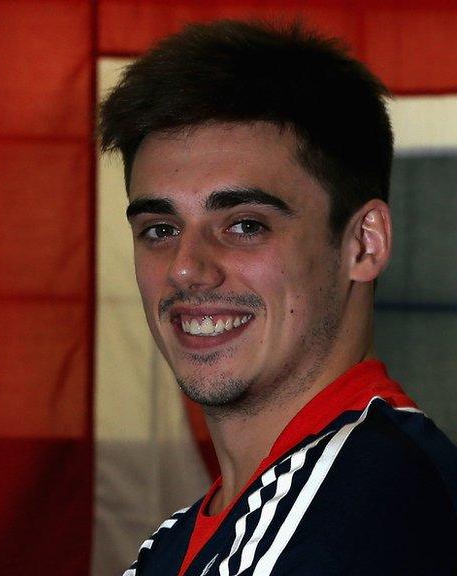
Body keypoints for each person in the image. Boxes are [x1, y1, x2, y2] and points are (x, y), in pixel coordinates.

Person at [98, 20, 457, 576]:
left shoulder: (369, 511)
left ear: (364, 243)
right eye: (159, 229)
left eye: (244, 225)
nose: (186, 268)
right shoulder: (184, 540)